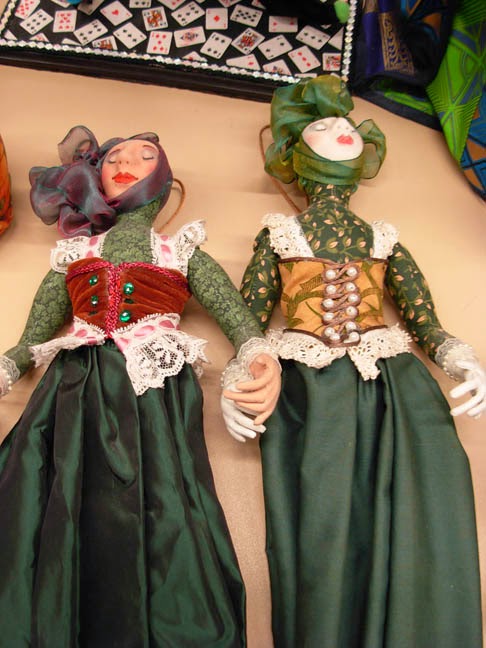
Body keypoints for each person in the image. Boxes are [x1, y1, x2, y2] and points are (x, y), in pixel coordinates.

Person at [225, 75, 486, 648]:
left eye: (346, 124)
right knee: (320, 529)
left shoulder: (383, 239)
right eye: (321, 124)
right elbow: (247, 320)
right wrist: (237, 381)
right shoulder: (279, 234)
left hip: (394, 384)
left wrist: (462, 360)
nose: (341, 128)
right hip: (308, 392)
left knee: (417, 508)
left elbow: (424, 319)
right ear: (296, 155)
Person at [0, 126, 280, 647]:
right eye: (112, 158)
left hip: (151, 388)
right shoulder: (74, 253)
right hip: (73, 386)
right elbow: (30, 340)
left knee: (162, 502)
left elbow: (240, 322)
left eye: (144, 156)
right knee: (51, 495)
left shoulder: (179, 250)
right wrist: (6, 369)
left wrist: (260, 362)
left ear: (165, 178)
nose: (125, 163)